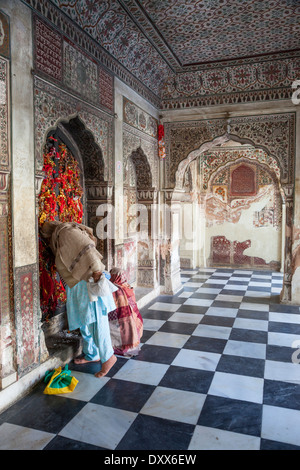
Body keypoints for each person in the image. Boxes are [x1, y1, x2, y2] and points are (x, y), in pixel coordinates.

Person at [40, 220, 117, 378]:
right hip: (78, 285)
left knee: (97, 321)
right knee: (84, 321)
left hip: (89, 283)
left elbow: (88, 249)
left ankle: (108, 357)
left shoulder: (67, 233)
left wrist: (96, 274)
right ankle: (92, 354)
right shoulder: (60, 236)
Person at [108, 267, 143, 356]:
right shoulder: (126, 285)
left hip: (123, 316)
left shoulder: (116, 289)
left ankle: (121, 344)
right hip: (132, 315)